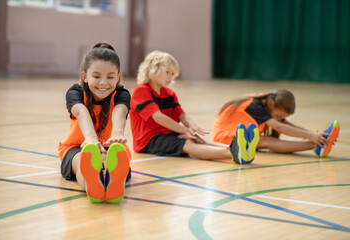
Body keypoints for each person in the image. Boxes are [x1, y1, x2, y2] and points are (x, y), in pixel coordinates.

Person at [129, 50, 258, 164]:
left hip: (166, 133)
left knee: (197, 139)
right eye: (167, 72)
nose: (170, 77)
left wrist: (192, 126)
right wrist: (183, 130)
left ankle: (240, 148)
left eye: (172, 74)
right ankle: (233, 153)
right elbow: (158, 117)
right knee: (188, 144)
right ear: (153, 70)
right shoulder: (141, 91)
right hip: (147, 141)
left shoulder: (169, 93)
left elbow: (182, 115)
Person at [58, 42, 131, 204]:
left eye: (110, 77)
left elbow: (120, 112)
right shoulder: (75, 92)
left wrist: (117, 135)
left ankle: (113, 182)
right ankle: (92, 185)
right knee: (82, 160)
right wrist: (90, 138)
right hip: (77, 147)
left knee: (112, 158)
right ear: (85, 76)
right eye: (96, 76)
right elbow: (81, 112)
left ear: (118, 77)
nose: (103, 82)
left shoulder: (122, 94)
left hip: (111, 146)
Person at [212, 89, 340, 158]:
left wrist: (314, 135)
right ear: (272, 104)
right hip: (225, 139)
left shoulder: (266, 102)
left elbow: (287, 124)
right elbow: (279, 127)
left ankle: (317, 145)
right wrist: (312, 138)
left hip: (236, 135)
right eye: (278, 116)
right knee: (265, 141)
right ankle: (313, 146)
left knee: (264, 140)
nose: (279, 118)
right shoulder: (255, 106)